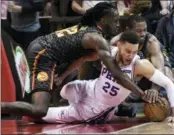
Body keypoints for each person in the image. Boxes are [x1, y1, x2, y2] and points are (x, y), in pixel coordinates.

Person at [1, 3, 148, 119]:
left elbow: (82, 58)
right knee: (39, 110)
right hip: (43, 54)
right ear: (103, 20)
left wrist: (63, 76)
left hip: (48, 53)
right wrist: (143, 94)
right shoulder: (97, 39)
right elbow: (117, 73)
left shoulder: (92, 31)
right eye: (114, 21)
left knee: (45, 102)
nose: (117, 24)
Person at [40, 31, 174, 124]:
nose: (130, 56)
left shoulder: (140, 65)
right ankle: (118, 109)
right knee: (65, 90)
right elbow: (83, 59)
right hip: (91, 87)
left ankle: (110, 110)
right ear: (119, 45)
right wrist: (63, 76)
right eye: (127, 51)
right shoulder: (109, 51)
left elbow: (169, 83)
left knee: (43, 116)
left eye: (134, 52)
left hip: (97, 107)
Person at [110, 16, 165, 101]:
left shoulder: (151, 42)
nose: (143, 34)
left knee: (166, 71)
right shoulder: (117, 42)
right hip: (129, 75)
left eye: (145, 30)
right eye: (138, 31)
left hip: (150, 71)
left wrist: (154, 89)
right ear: (128, 30)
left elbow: (160, 69)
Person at [155, 0, 174, 111]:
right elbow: (159, 44)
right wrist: (166, 63)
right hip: (172, 59)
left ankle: (170, 82)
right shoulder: (164, 21)